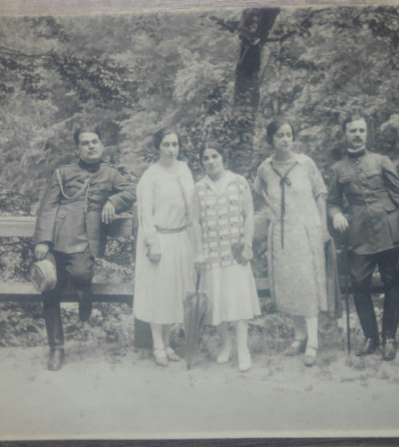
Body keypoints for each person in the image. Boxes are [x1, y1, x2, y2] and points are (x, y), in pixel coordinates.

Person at [33, 126, 135, 371]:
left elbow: (131, 191)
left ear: (101, 145)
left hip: (87, 240)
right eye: (85, 143)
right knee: (49, 289)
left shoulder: (111, 174)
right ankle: (56, 348)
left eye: (95, 142)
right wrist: (42, 240)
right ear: (78, 148)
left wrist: (112, 201)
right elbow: (48, 207)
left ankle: (84, 295)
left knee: (81, 275)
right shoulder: (63, 173)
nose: (91, 146)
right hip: (57, 240)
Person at [327, 114, 399, 361]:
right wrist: (336, 215)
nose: (357, 135)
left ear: (366, 133)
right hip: (359, 234)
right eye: (352, 131)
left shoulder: (381, 161)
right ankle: (371, 337)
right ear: (344, 134)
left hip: (389, 230)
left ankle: (389, 338)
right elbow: (332, 202)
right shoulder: (338, 169)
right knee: (358, 283)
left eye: (361, 130)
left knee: (392, 281)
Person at [253, 118, 329, 367]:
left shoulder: (305, 164)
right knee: (289, 285)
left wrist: (322, 227)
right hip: (281, 233)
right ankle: (299, 336)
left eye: (288, 135)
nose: (285, 139)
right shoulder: (265, 168)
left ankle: (313, 342)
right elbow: (258, 191)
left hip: (305, 232)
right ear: (271, 140)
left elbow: (321, 193)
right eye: (279, 135)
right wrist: (271, 212)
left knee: (307, 283)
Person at [191, 143, 261, 372]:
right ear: (202, 162)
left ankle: (243, 349)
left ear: (223, 157)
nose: (211, 161)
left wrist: (248, 244)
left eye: (214, 156)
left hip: (236, 251)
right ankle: (226, 346)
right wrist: (199, 252)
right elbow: (196, 222)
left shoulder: (239, 182)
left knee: (239, 302)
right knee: (217, 302)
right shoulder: (199, 188)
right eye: (206, 158)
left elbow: (249, 214)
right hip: (212, 254)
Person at [133, 128, 195, 367]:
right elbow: (145, 213)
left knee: (174, 293)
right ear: (158, 147)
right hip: (160, 238)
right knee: (158, 292)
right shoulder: (151, 176)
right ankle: (157, 344)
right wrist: (153, 243)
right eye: (166, 145)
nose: (171, 149)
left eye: (175, 144)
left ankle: (168, 343)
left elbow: (192, 205)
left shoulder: (185, 170)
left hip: (181, 239)